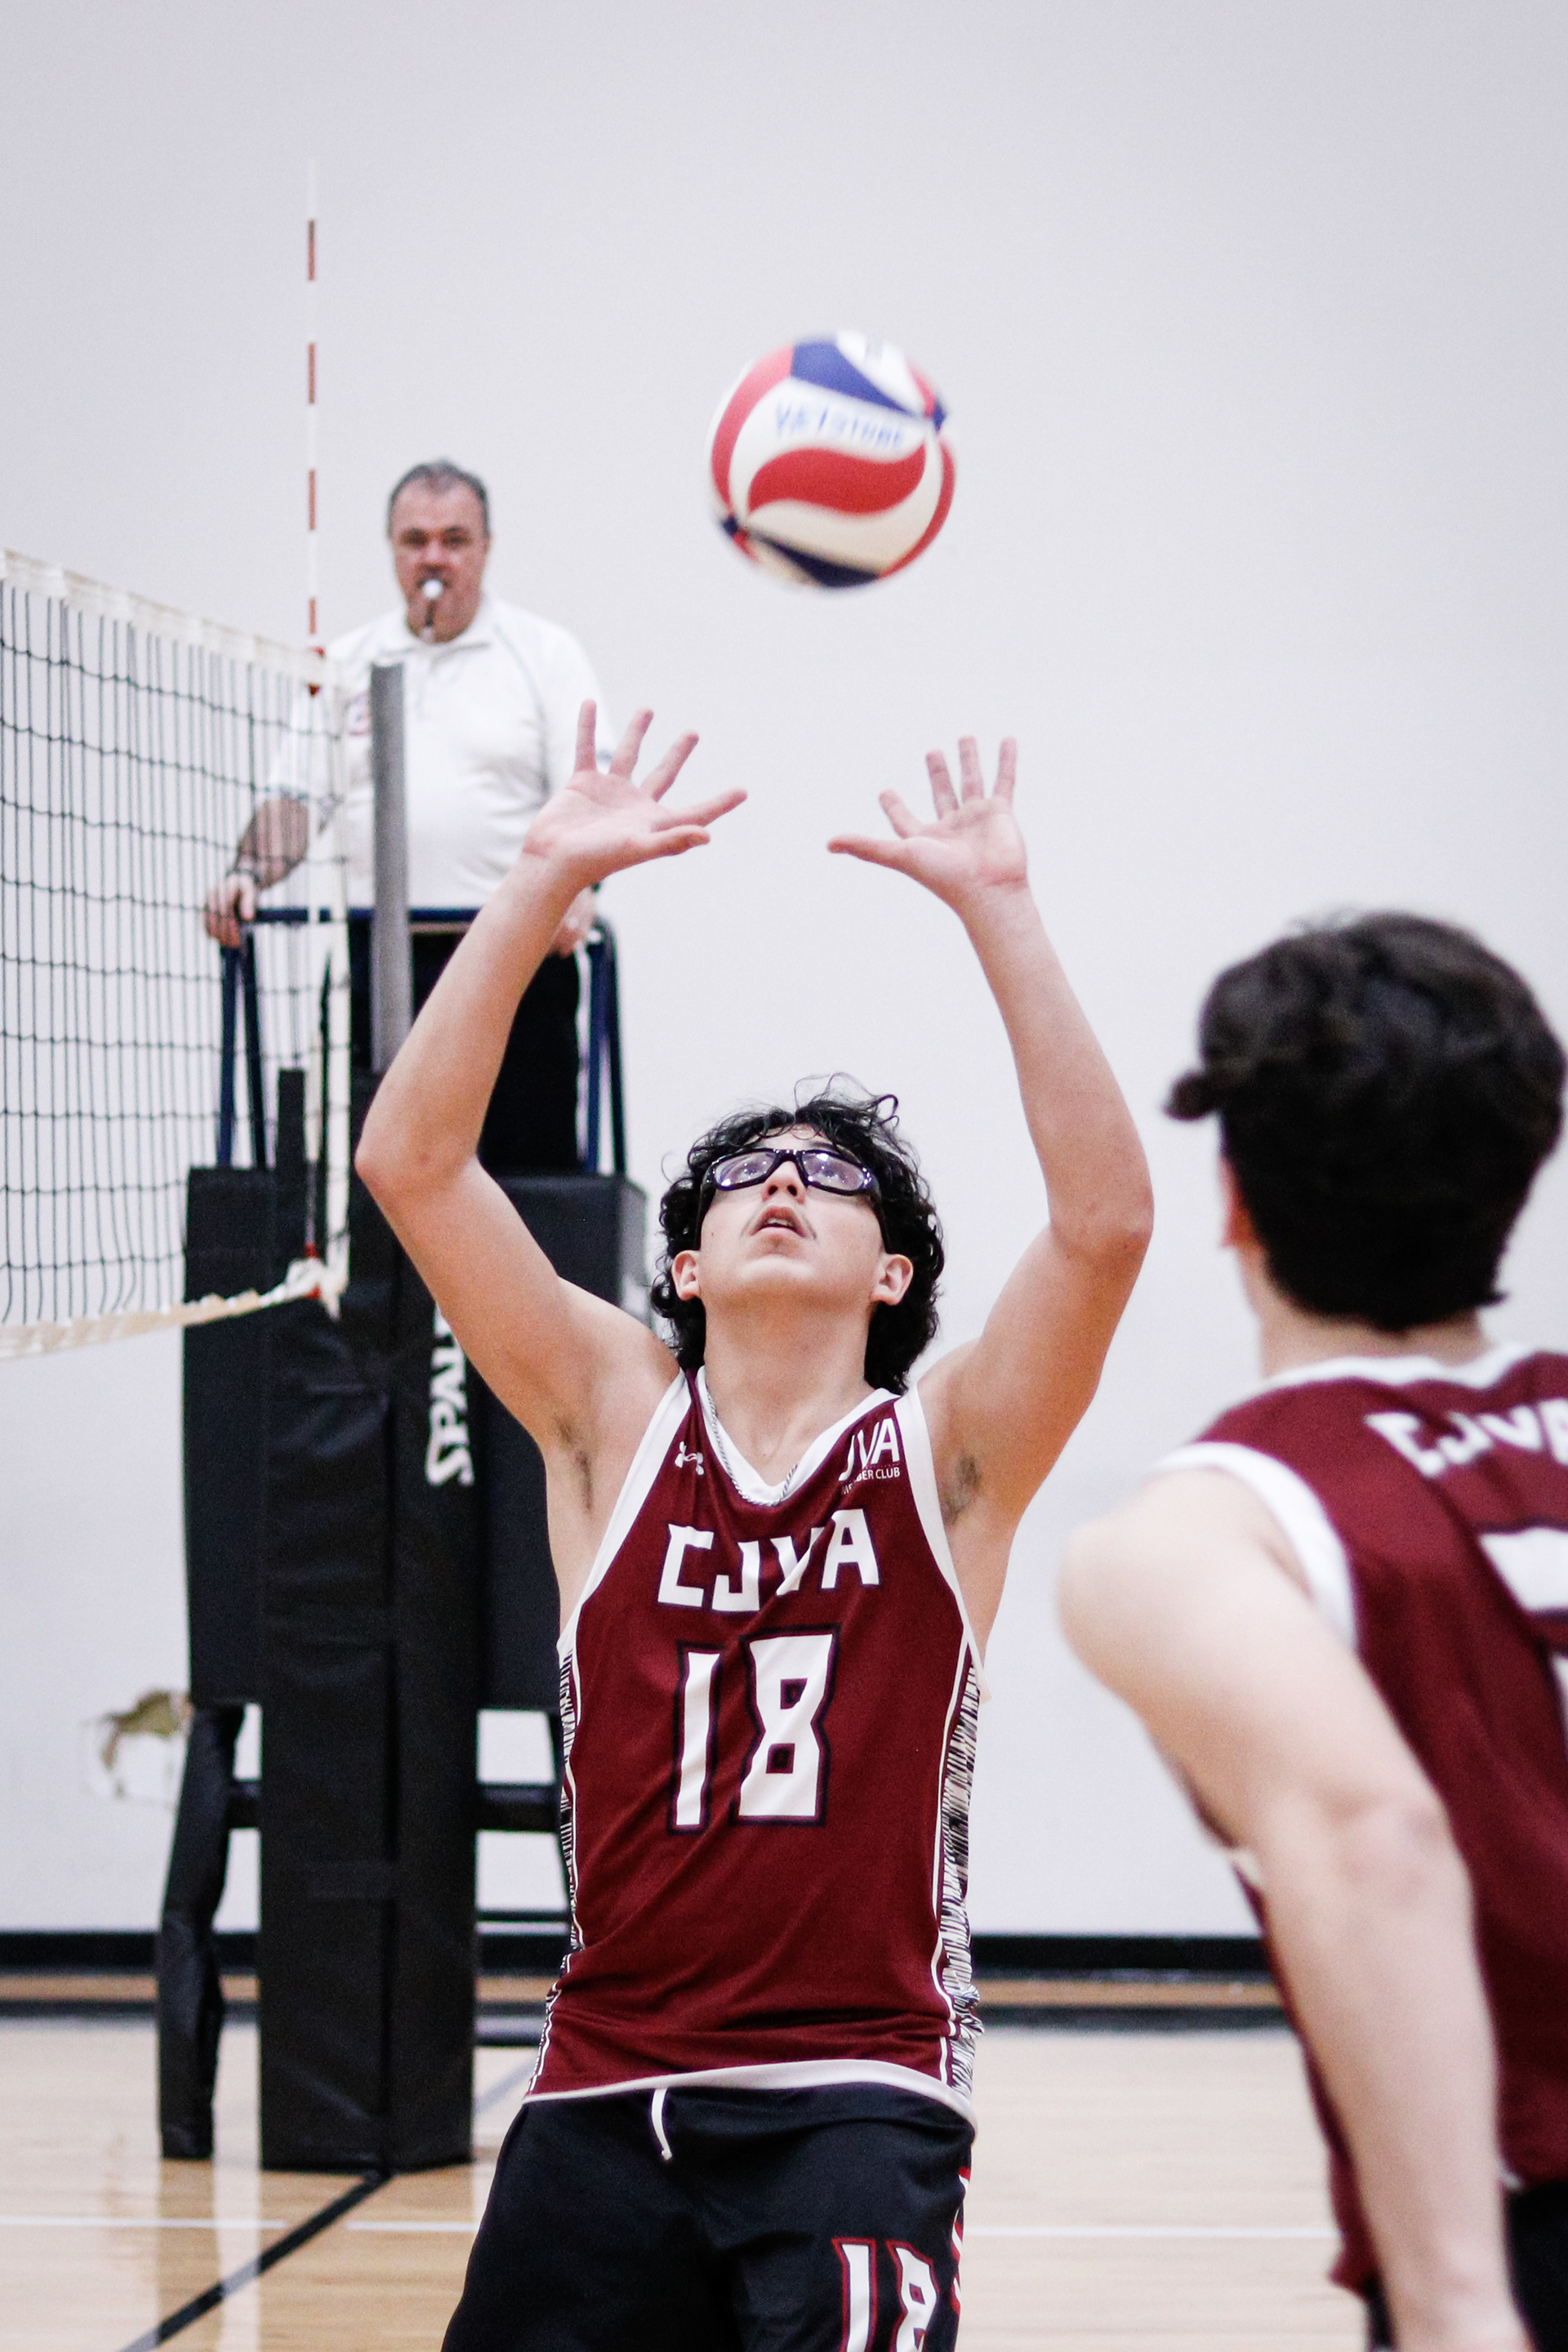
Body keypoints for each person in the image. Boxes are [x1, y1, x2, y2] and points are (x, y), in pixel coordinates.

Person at [355, 706, 1153, 2349]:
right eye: (744, 1174)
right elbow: (412, 1163)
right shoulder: (611, 1418)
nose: (784, 1180)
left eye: (831, 1175)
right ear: (686, 1267)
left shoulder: (945, 1452)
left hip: (856, 2084)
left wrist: (1002, 910)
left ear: (894, 1274)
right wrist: (538, 879)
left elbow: (1104, 1224)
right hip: (603, 2080)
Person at [1058, 913, 1568, 2352]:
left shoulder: (1201, 1533)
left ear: (1232, 1200)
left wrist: (1460, 2308)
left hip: (1529, 2232)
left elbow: (1374, 1840)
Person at [203, 459, 612, 1170]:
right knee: (371, 1177)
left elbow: (587, 791)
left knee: (525, 1181)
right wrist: (247, 873)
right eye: (415, 540)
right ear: (392, 549)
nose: (434, 558)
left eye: (454, 540)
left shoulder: (543, 654)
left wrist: (581, 885)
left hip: (514, 956)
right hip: (377, 962)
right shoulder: (347, 663)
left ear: (486, 548)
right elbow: (296, 798)